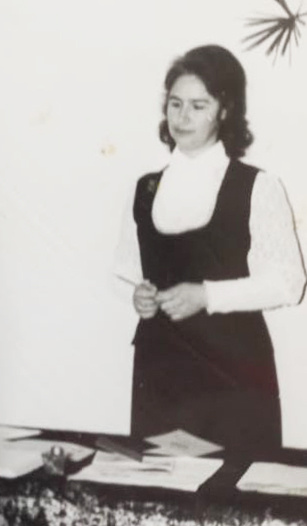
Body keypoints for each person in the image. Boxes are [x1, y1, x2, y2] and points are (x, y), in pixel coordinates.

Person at [114, 44, 305, 454]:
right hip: (160, 371)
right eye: (176, 104)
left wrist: (206, 296)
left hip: (232, 373)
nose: (182, 117)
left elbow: (290, 283)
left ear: (224, 110)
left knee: (231, 487)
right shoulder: (146, 188)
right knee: (157, 486)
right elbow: (127, 270)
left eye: (198, 106)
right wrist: (139, 295)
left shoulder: (257, 186)